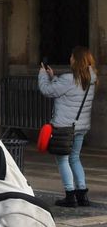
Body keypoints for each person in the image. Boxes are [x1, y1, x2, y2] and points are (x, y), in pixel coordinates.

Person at [39, 47, 97, 207]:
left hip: (64, 126)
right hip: (81, 126)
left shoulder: (69, 79)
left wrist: (43, 75)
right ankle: (82, 194)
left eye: (72, 57)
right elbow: (68, 90)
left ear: (77, 60)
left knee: (63, 160)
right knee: (75, 158)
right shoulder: (91, 78)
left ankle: (70, 195)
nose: (70, 59)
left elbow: (47, 90)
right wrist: (54, 77)